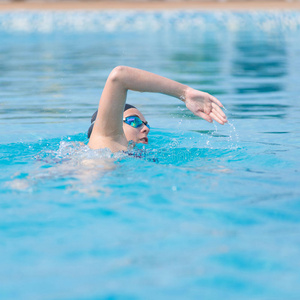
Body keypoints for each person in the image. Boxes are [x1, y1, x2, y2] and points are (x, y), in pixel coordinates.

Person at [87, 66, 227, 152]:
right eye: (134, 122)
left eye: (145, 124)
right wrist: (184, 93)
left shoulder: (132, 155)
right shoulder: (106, 139)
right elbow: (119, 75)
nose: (146, 129)